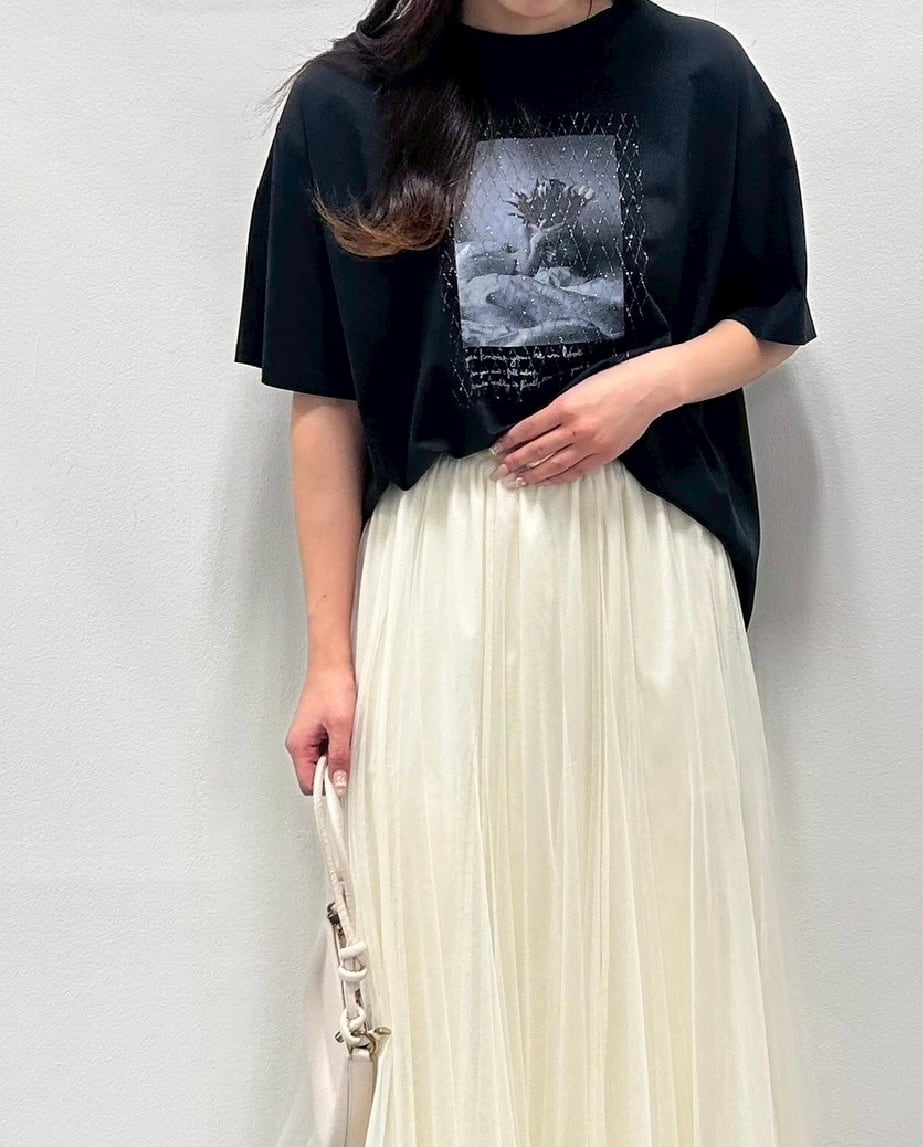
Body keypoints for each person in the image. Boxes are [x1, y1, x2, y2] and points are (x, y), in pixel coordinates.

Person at [234, 1, 818, 1143]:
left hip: (645, 574)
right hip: (441, 578)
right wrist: (329, 659)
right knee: (445, 951)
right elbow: (324, 399)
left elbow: (772, 316)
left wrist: (647, 386)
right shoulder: (344, 104)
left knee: (653, 941)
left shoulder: (701, 77)